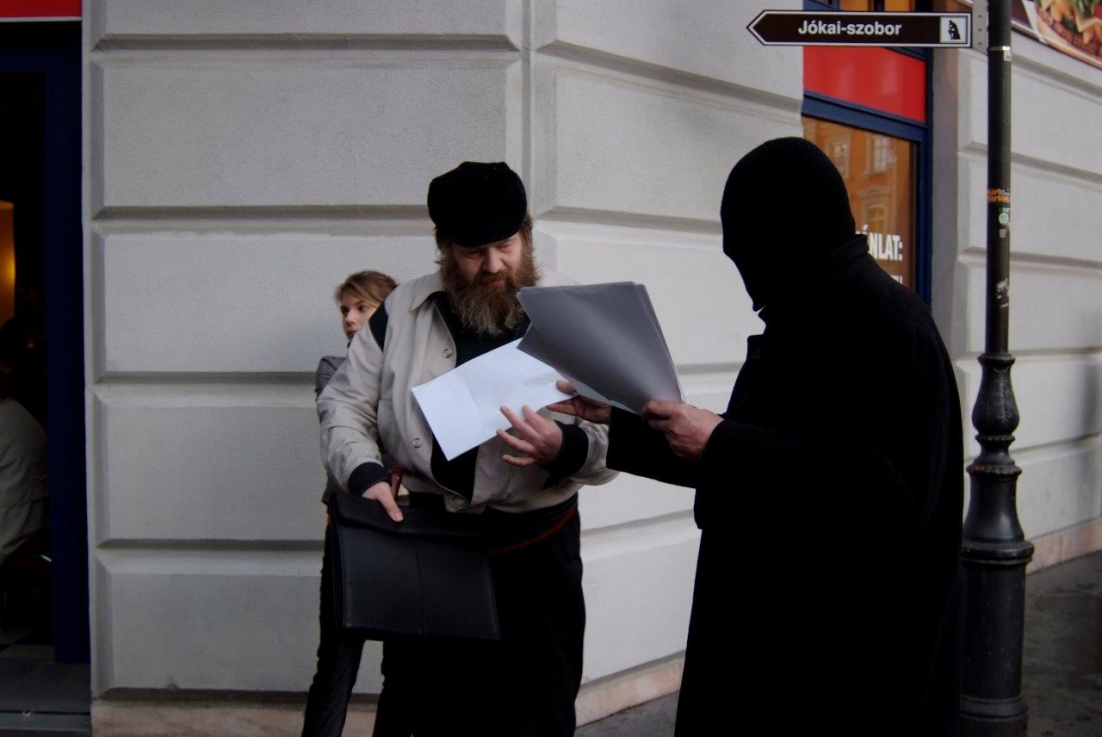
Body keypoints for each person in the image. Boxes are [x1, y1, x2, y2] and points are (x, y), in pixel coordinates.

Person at [551, 138, 964, 736]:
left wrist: (722, 444)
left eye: (744, 255)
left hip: (835, 679)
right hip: (781, 655)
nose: (745, 282)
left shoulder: (884, 322)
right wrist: (623, 419)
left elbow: (889, 497)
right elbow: (751, 451)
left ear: (782, 238)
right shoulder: (814, 310)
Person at [311, 161, 617, 737]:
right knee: (426, 715)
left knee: (537, 717)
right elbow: (344, 404)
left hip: (536, 555)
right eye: (474, 252)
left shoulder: (573, 309)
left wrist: (565, 445)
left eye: (506, 245)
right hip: (430, 548)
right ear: (444, 247)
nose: (493, 265)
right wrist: (365, 473)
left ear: (526, 234)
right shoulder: (400, 310)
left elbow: (617, 430)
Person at [303, 269, 398, 736]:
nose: (350, 318)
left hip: (410, 528)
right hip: (350, 530)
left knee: (405, 663)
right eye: (345, 310)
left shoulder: (416, 370)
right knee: (337, 658)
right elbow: (346, 429)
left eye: (363, 308)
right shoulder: (332, 368)